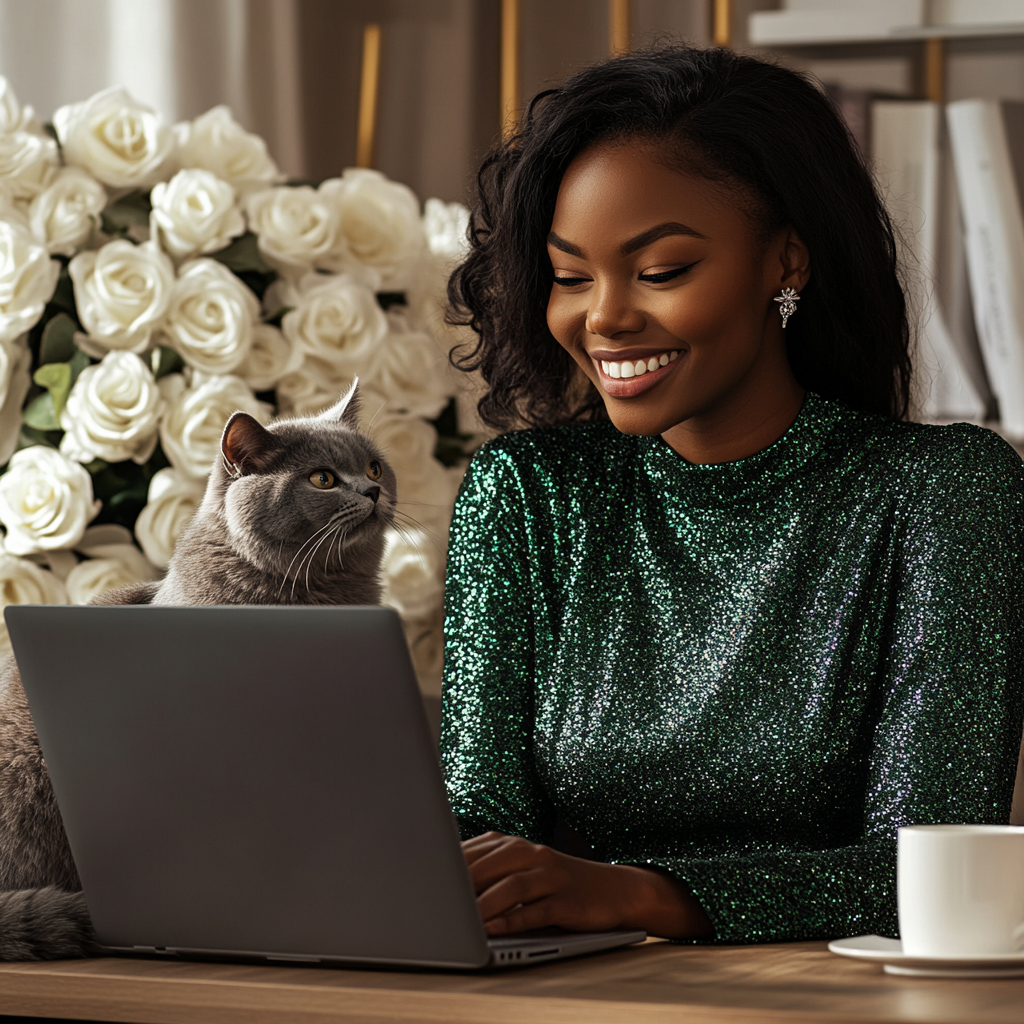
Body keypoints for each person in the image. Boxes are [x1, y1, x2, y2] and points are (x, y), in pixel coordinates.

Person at [440, 44, 1024, 944]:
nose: (603, 318)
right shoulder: (525, 494)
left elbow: (931, 866)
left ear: (784, 262)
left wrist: (642, 895)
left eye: (661, 270)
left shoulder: (943, 494)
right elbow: (478, 827)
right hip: (577, 996)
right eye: (570, 276)